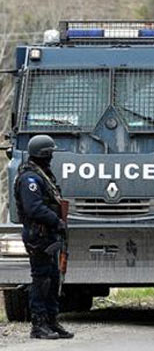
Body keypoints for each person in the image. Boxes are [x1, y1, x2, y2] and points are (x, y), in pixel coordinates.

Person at [15, 135, 73, 339]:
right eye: (50, 153)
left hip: (48, 235)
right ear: (45, 154)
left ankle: (51, 321)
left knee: (53, 279)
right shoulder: (30, 178)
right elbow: (34, 208)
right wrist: (56, 220)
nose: (52, 157)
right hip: (37, 235)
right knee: (41, 280)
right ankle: (38, 324)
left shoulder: (43, 175)